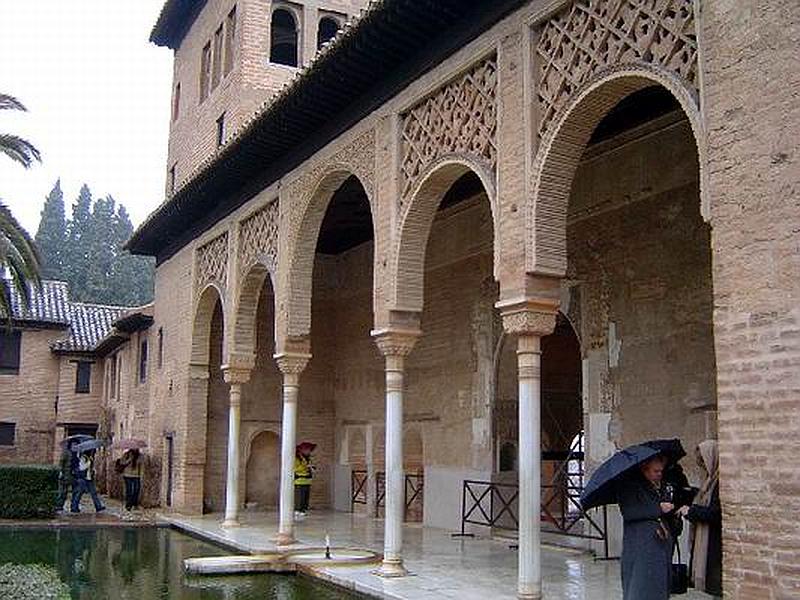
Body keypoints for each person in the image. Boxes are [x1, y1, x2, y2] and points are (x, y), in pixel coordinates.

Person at [618, 454, 674, 600]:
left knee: (658, 586)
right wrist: (659, 508)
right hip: (640, 546)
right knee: (640, 586)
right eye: (656, 471)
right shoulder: (630, 487)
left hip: (658, 545)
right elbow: (630, 512)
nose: (659, 474)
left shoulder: (659, 486)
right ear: (645, 470)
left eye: (661, 471)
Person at [677, 440, 722, 597]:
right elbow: (705, 500)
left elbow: (715, 513)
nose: (702, 465)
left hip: (715, 542)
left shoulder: (719, 482)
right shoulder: (710, 480)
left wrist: (691, 511)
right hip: (708, 539)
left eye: (703, 460)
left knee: (717, 585)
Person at [294, 442, 315, 519]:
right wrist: (306, 467)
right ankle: (298, 510)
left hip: (307, 480)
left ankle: (304, 510)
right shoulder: (296, 458)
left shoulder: (307, 458)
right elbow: (295, 468)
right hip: (299, 480)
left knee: (305, 497)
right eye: (307, 449)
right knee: (300, 496)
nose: (309, 451)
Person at [55, 441, 78, 511]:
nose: (75, 446)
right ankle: (59, 506)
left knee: (76, 492)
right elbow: (61, 463)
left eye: (76, 444)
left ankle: (74, 507)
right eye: (74, 444)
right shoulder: (66, 452)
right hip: (65, 475)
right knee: (63, 492)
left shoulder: (77, 453)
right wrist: (61, 472)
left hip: (74, 476)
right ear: (70, 445)